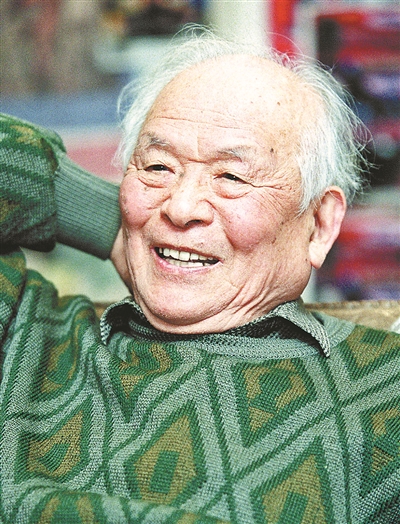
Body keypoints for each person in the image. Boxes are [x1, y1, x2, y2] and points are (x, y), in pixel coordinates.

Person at [1, 27, 399, 524]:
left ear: (318, 224)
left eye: (231, 176)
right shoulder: (25, 330)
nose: (181, 207)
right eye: (157, 167)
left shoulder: (385, 387)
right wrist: (109, 222)